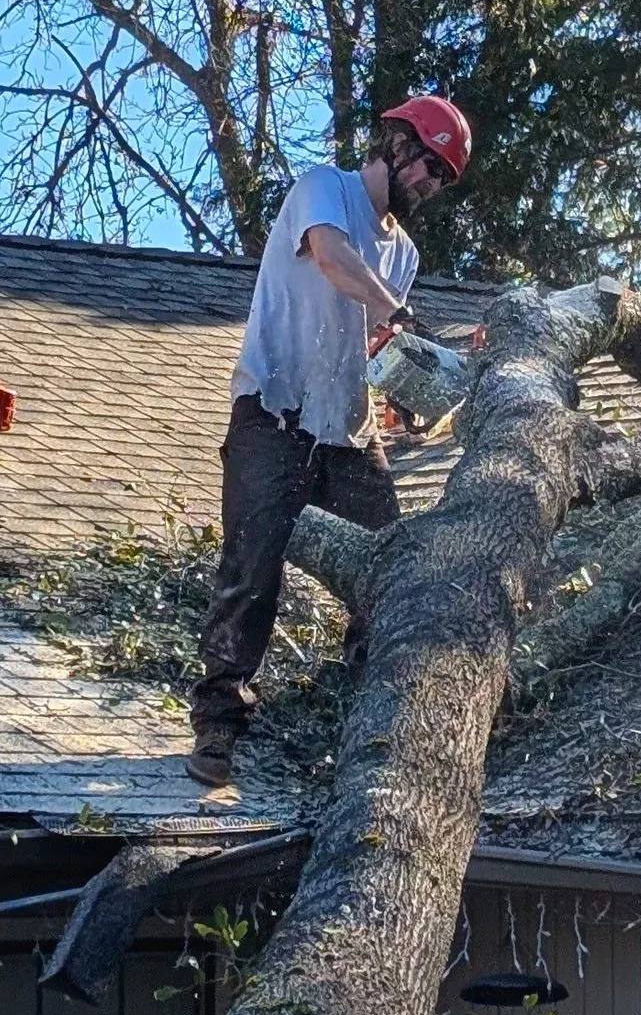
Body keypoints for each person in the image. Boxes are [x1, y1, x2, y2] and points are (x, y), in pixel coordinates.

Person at [189, 94, 472, 784]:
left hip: (347, 427)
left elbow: (376, 343)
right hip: (273, 408)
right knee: (252, 569)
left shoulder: (403, 251)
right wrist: (398, 313)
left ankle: (366, 719)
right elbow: (333, 258)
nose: (428, 183)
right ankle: (219, 722)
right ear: (397, 142)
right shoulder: (325, 190)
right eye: (428, 165)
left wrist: (413, 382)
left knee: (388, 568)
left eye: (441, 177)